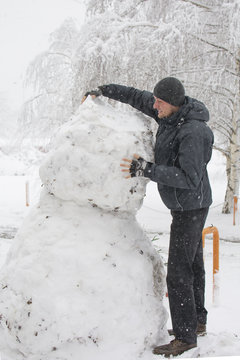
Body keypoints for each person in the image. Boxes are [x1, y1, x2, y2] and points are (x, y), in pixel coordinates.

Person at [83, 77, 214, 357]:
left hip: (190, 206)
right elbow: (138, 96)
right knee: (193, 264)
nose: (155, 106)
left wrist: (146, 169)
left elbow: (189, 178)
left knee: (179, 272)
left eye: (160, 102)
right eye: (156, 101)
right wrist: (105, 90)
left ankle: (185, 336)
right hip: (186, 205)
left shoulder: (192, 131)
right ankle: (197, 320)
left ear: (174, 103)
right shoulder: (168, 113)